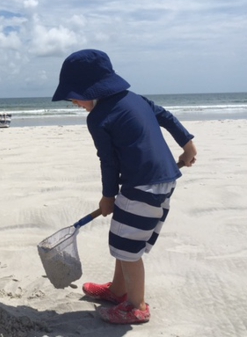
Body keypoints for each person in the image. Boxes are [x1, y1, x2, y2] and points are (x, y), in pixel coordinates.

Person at [52, 49, 197, 325]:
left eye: (74, 95)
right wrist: (187, 144)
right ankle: (118, 291)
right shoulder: (135, 98)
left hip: (141, 184)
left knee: (127, 248)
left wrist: (108, 197)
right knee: (124, 239)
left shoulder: (97, 119)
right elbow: (165, 116)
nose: (72, 101)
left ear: (92, 89)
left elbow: (108, 162)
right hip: (163, 180)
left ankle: (136, 306)